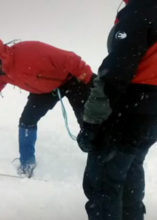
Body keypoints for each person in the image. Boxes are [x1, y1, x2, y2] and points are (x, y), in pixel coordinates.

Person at [0, 32, 95, 177]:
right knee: (26, 122)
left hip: (73, 79)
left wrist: (89, 80)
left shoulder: (28, 51)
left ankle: (99, 162)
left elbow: (70, 59)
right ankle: (27, 164)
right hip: (46, 90)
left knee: (89, 125)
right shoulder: (2, 74)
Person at [77, 0, 157, 219]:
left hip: (131, 109)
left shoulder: (140, 12)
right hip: (149, 114)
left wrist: (91, 124)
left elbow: (115, 71)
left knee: (104, 181)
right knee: (130, 168)